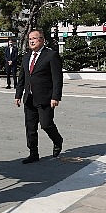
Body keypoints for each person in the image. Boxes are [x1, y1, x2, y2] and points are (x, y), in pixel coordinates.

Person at [14, 28, 63, 164]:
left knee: (46, 124)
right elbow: (22, 78)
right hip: (29, 98)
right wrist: (18, 95)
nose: (31, 41)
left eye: (34, 39)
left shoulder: (51, 55)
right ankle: (33, 153)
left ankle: (57, 140)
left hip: (45, 97)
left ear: (42, 40)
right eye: (30, 39)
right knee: (30, 127)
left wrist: (55, 97)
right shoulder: (26, 56)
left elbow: (57, 78)